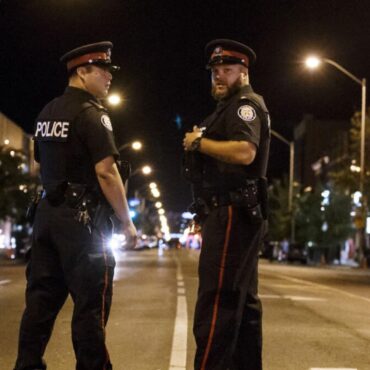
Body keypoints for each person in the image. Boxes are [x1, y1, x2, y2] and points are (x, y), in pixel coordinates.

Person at [14, 41, 137, 370]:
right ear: (82, 72)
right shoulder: (92, 114)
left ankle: (26, 365)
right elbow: (106, 172)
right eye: (103, 70)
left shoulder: (47, 112)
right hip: (82, 224)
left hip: (46, 216)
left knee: (40, 302)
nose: (109, 77)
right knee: (90, 308)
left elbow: (43, 164)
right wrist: (127, 222)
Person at [183, 39, 271, 370]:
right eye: (215, 71)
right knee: (243, 303)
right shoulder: (229, 108)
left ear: (243, 73)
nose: (219, 76)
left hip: (234, 213)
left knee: (217, 301)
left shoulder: (243, 105)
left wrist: (200, 143)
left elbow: (245, 152)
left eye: (227, 70)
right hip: (232, 212)